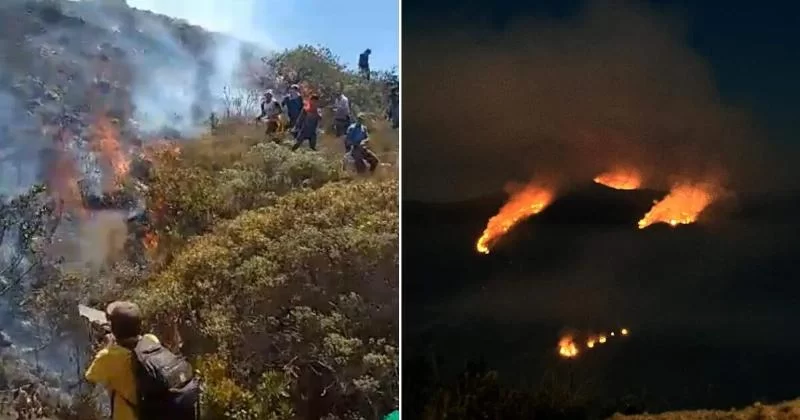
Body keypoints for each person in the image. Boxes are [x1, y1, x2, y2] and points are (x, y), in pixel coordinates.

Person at [85, 301, 199, 420]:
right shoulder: (151, 339)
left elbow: (90, 376)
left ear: (113, 328)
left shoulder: (108, 356)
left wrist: (109, 345)